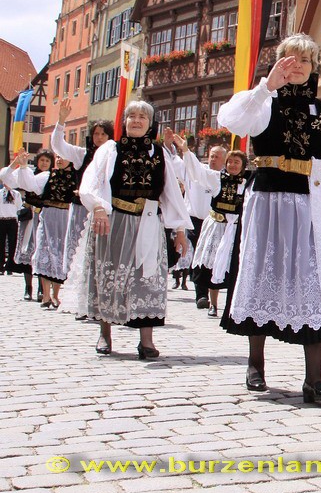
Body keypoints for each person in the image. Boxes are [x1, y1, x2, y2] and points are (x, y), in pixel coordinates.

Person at [218, 33, 321, 403]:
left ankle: (314, 378)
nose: (297, 66)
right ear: (278, 62)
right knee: (262, 275)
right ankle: (255, 364)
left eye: (304, 61)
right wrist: (266, 86)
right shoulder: (264, 102)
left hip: (315, 203)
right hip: (271, 202)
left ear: (313, 68)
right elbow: (231, 120)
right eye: (290, 59)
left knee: (317, 282)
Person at [62, 101, 190, 358]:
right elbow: (93, 180)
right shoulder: (111, 149)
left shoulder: (159, 152)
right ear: (125, 122)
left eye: (142, 116)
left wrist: (179, 229)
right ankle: (105, 333)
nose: (136, 120)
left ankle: (146, 341)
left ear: (150, 123)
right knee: (109, 275)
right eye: (132, 116)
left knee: (147, 277)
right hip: (114, 220)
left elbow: (170, 192)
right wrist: (98, 207)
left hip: (149, 220)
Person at [177, 131, 247, 319]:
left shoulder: (246, 184)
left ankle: (231, 306)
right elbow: (197, 172)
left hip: (235, 229)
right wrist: (186, 151)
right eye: (230, 162)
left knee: (234, 267)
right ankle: (213, 304)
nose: (232, 165)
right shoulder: (217, 178)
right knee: (212, 264)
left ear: (242, 166)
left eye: (236, 162)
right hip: (216, 226)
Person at [3, 152, 80, 309]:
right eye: (57, 157)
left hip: (67, 216)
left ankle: (56, 295)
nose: (59, 159)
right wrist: (21, 166)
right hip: (48, 215)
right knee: (44, 252)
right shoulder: (47, 175)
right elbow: (22, 182)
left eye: (62, 156)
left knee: (61, 254)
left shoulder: (77, 176)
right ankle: (45, 295)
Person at [52, 99, 115, 277]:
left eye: (103, 134)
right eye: (96, 134)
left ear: (110, 136)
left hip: (105, 210)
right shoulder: (82, 154)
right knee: (77, 249)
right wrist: (61, 121)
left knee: (100, 250)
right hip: (82, 209)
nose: (99, 137)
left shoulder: (115, 155)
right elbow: (59, 146)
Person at [6, 151, 51, 301]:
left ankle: (41, 289)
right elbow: (9, 179)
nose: (44, 163)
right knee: (27, 250)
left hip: (44, 216)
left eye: (47, 161)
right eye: (42, 160)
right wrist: (17, 165)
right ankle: (28, 287)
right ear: (37, 161)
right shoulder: (28, 173)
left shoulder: (51, 177)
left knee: (41, 252)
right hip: (29, 216)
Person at [0, 184, 21, 276]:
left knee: (13, 243)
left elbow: (19, 206)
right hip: (1, 219)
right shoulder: (0, 193)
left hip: (12, 220)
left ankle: (10, 266)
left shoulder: (16, 193)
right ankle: (1, 265)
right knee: (1, 243)